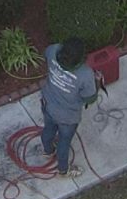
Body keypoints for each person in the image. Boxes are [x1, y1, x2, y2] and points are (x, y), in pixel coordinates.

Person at [40, 37, 99, 172]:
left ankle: (48, 151)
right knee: (64, 142)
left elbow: (46, 56)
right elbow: (89, 99)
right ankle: (63, 170)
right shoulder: (85, 73)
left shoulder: (53, 50)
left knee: (48, 129)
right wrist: (96, 82)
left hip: (47, 105)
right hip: (67, 117)